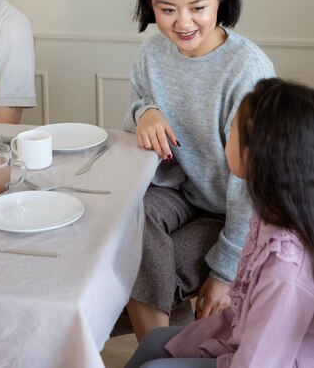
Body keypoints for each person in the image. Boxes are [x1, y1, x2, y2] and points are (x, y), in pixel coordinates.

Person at [122, 0, 275, 341]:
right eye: (166, 9)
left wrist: (224, 273)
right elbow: (136, 117)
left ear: (221, 0)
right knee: (125, 217)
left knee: (141, 265)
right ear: (150, 5)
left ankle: (156, 356)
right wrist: (145, 111)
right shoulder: (152, 54)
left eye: (198, 7)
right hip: (178, 194)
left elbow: (251, 186)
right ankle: (166, 356)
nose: (183, 22)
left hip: (234, 212)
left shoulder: (246, 69)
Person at [124, 78, 314, 367]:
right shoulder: (269, 215)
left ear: (255, 154)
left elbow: (258, 361)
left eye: (233, 129)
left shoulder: (285, 271)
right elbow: (242, 313)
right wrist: (191, 339)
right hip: (240, 337)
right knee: (156, 340)